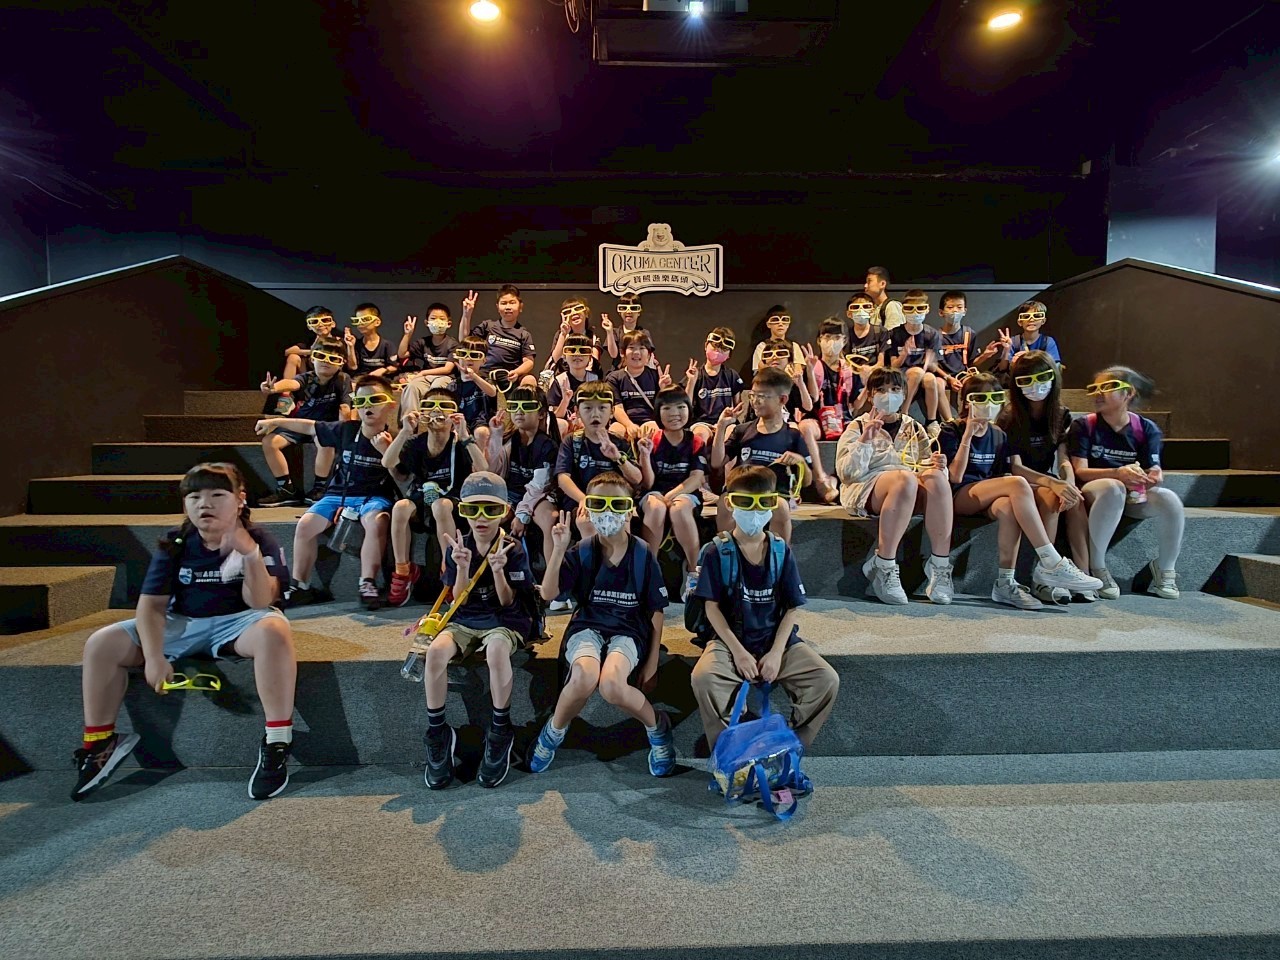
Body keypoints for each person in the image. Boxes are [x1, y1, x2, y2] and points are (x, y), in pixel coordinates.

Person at [73, 463, 297, 802]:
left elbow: (260, 601)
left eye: (217, 494)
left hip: (240, 622)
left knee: (275, 630)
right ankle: (100, 742)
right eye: (194, 497)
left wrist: (249, 553)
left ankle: (278, 742)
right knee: (101, 643)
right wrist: (153, 657)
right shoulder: (175, 542)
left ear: (240, 499)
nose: (204, 503)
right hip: (184, 623)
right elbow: (151, 606)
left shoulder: (260, 539)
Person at [530, 475, 674, 776]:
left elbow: (656, 611)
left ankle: (657, 728)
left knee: (612, 686)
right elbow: (549, 594)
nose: (608, 512)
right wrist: (558, 550)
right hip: (588, 626)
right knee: (583, 676)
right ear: (587, 508)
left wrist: (651, 664)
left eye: (616, 504)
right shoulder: (582, 550)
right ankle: (554, 731)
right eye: (599, 503)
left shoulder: (642, 554)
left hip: (629, 630)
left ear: (630, 509)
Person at [689, 464, 840, 752]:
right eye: (746, 502)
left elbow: (792, 608)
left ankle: (788, 747)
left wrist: (775, 653)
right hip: (731, 640)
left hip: (774, 639)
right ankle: (729, 753)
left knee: (826, 679)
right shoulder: (717, 551)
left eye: (764, 503)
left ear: (774, 504)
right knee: (704, 677)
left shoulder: (781, 550)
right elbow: (712, 608)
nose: (755, 511)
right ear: (730, 504)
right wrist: (739, 653)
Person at [937, 374, 1103, 609]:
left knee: (1009, 507)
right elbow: (955, 476)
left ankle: (1005, 583)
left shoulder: (999, 434)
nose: (989, 403)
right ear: (966, 401)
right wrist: (968, 435)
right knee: (1017, 483)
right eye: (981, 398)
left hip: (989, 494)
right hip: (959, 495)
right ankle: (1050, 561)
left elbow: (999, 474)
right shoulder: (951, 429)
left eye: (995, 397)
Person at [421, 472, 537, 790]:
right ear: (462, 511)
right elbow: (458, 598)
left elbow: (508, 601)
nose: (481, 518)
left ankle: (500, 730)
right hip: (466, 618)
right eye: (472, 509)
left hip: (504, 619)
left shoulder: (512, 548)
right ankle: (437, 732)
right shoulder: (459, 546)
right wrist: (460, 567)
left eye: (490, 509)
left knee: (497, 650)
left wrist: (498, 571)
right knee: (435, 652)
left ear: (504, 511)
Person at [255, 375, 400, 610]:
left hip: (373, 497)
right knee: (305, 525)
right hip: (338, 495)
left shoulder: (396, 438)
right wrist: (276, 422)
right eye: (360, 401)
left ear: (390, 405)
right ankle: (301, 586)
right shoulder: (346, 430)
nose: (367, 406)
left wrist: (388, 452)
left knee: (377, 521)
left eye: (375, 400)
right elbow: (310, 426)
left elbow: (402, 477)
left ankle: (367, 583)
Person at [835, 366, 955, 605]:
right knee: (904, 478)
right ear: (871, 395)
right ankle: (885, 564)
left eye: (895, 389)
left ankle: (940, 567)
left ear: (903, 394)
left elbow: (922, 464)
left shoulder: (914, 427)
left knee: (937, 478)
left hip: (907, 489)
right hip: (866, 488)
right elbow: (847, 474)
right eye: (881, 389)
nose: (888, 395)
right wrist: (865, 440)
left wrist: (938, 465)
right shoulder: (857, 426)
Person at [1068, 366, 1184, 601]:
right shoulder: (1084, 425)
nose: (1098, 393)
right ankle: (1097, 567)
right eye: (1095, 388)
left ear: (1128, 393)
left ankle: (1165, 569)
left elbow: (1153, 469)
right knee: (1113, 487)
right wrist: (1118, 473)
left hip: (1130, 495)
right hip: (1094, 492)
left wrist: (1151, 477)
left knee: (1169, 499)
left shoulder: (1146, 429)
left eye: (1107, 387)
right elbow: (1080, 471)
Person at [382, 388, 488, 607]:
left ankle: (448, 569)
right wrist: (404, 431)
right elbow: (387, 462)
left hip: (452, 504)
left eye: (445, 407)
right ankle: (403, 571)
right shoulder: (416, 442)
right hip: (422, 499)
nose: (436, 412)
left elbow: (483, 470)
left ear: (454, 414)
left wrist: (465, 435)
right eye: (429, 406)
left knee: (441, 505)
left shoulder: (459, 443)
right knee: (400, 507)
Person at [999, 351, 1092, 600]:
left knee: (1074, 499)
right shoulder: (1010, 416)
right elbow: (1015, 467)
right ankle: (1045, 575)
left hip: (1046, 477)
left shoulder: (1061, 414)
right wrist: (1054, 483)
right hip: (1017, 480)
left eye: (1041, 378)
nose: (1035, 386)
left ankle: (1084, 573)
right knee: (1052, 496)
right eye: (1026, 380)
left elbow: (1063, 458)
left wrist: (1068, 483)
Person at [711, 366, 815, 543]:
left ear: (782, 399)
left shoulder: (793, 436)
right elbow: (716, 462)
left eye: (762, 396)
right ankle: (728, 551)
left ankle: (779, 554)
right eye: (753, 395)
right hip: (742, 492)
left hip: (772, 495)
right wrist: (721, 427)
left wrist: (800, 462)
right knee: (725, 502)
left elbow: (807, 481)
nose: (755, 401)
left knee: (781, 507)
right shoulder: (742, 430)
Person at [258, 337, 352, 506]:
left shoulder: (343, 379)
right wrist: (273, 388)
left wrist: (345, 424)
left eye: (333, 359)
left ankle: (319, 488)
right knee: (269, 442)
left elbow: (346, 407)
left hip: (324, 426)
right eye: (321, 356)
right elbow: (292, 383)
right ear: (312, 359)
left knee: (326, 441)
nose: (326, 362)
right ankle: (286, 488)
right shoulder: (307, 378)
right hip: (301, 423)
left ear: (341, 363)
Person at [638, 386, 709, 602]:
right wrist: (644, 456)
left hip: (685, 493)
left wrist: (670, 496)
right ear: (658, 412)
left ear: (688, 409)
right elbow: (648, 482)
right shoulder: (653, 439)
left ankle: (694, 571)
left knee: (679, 508)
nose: (674, 413)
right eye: (667, 408)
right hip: (654, 493)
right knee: (656, 507)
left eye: (680, 407)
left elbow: (696, 478)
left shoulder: (695, 441)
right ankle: (649, 572)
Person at [553, 381, 644, 550]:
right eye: (588, 408)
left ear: (612, 412)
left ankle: (623, 564)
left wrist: (617, 457)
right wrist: (584, 499)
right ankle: (592, 565)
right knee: (587, 521)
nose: (595, 414)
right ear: (577, 412)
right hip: (583, 503)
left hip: (614, 503)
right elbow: (563, 478)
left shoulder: (620, 443)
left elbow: (637, 478)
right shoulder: (572, 441)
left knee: (623, 522)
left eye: (602, 408)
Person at [484, 386, 560, 569]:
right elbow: (492, 471)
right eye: (514, 406)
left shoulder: (547, 445)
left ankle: (553, 578)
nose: (519, 411)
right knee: (487, 517)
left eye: (527, 406)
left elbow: (539, 486)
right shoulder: (509, 439)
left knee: (549, 518)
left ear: (541, 413)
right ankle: (485, 572)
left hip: (539, 497)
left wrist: (522, 514)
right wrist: (496, 436)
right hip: (511, 494)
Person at [932, 290, 1002, 419]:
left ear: (964, 311)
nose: (955, 311)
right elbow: (933, 364)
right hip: (943, 375)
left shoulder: (969, 334)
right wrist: (949, 378)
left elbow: (972, 363)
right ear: (941, 312)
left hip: (963, 374)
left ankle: (970, 418)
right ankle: (949, 421)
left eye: (959, 307)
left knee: (975, 383)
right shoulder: (935, 336)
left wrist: (985, 355)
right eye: (950, 307)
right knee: (937, 383)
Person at [886, 289, 944, 435]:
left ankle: (931, 421)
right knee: (916, 372)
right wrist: (904, 354)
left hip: (923, 372)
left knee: (930, 379)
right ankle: (903, 414)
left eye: (920, 308)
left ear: (927, 309)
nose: (915, 313)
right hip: (902, 373)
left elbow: (933, 366)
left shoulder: (932, 334)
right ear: (903, 310)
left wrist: (928, 362)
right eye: (910, 309)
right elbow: (894, 366)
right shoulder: (895, 333)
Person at [459, 284, 537, 387]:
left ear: (520, 307)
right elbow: (464, 340)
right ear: (497, 307)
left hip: (510, 377)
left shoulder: (524, 334)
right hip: (485, 375)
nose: (508, 307)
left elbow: (529, 362)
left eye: (512, 303)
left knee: (530, 379)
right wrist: (466, 314)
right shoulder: (487, 326)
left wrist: (517, 372)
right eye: (503, 303)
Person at [396, 301, 460, 420]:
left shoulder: (453, 344)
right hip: (426, 378)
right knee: (411, 387)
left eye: (442, 319)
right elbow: (402, 354)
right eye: (433, 318)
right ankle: (409, 423)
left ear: (449, 323)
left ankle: (435, 421)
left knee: (436, 387)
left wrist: (423, 373)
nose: (437, 322)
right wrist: (407, 334)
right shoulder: (423, 342)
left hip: (446, 378)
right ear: (427, 322)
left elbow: (447, 369)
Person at [606, 330, 670, 442]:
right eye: (631, 348)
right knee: (615, 431)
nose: (636, 352)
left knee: (654, 431)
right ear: (622, 353)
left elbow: (665, 407)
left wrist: (664, 388)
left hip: (649, 421)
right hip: (623, 422)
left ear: (649, 355)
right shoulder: (614, 378)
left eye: (641, 348)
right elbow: (616, 407)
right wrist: (629, 425)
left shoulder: (656, 375)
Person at [685, 325, 745, 445]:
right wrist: (691, 381)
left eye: (724, 349)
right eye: (715, 346)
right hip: (702, 423)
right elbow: (686, 405)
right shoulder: (696, 374)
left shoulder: (731, 375)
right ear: (706, 346)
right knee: (700, 435)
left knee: (730, 435)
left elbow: (739, 405)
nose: (718, 351)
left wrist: (732, 416)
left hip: (726, 421)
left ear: (729, 354)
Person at [276, 306, 339, 398]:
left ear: (332, 324)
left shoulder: (338, 342)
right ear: (309, 326)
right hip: (310, 376)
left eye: (325, 320)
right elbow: (288, 351)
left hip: (330, 375)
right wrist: (312, 351)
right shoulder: (309, 341)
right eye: (314, 322)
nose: (320, 324)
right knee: (293, 357)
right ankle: (286, 395)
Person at [452, 334, 503, 449]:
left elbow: (492, 392)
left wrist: (474, 377)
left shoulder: (485, 381)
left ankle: (479, 460)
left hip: (481, 421)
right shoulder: (453, 386)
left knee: (481, 433)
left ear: (484, 361)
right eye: (463, 354)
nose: (468, 358)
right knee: (454, 435)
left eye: (474, 355)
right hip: (460, 421)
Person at [546, 333, 602, 436]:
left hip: (589, 423)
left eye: (583, 351)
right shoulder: (559, 381)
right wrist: (565, 401)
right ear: (564, 356)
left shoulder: (595, 381)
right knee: (559, 424)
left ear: (590, 357)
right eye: (571, 350)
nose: (577, 354)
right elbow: (555, 416)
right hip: (566, 426)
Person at [544, 296, 605, 380]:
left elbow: (593, 362)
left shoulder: (593, 337)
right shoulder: (561, 335)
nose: (573, 313)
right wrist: (563, 334)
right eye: (568, 311)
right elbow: (555, 358)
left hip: (586, 377)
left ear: (586, 314)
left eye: (578, 309)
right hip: (563, 376)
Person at [843, 293, 887, 408]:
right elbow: (844, 361)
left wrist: (870, 370)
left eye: (866, 306)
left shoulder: (880, 332)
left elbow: (881, 363)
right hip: (854, 376)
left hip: (876, 374)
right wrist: (859, 371)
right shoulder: (845, 335)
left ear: (872, 311)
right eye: (855, 307)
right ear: (849, 314)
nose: (861, 310)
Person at [1000, 300, 1062, 372]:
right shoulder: (1013, 342)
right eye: (1026, 316)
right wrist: (1007, 350)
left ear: (1043, 321)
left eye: (1037, 316)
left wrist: (1027, 358)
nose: (1031, 319)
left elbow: (1054, 367)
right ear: (1020, 322)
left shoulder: (1047, 341)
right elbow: (1002, 369)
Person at [344, 302, 399, 378]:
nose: (360, 324)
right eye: (357, 320)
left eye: (365, 319)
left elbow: (394, 367)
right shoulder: (356, 344)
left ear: (377, 322)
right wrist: (350, 346)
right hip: (361, 380)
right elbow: (353, 367)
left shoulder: (387, 345)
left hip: (381, 381)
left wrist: (383, 370)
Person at [749, 306, 806, 371]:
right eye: (775, 320)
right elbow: (760, 369)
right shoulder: (762, 346)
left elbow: (798, 370)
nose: (780, 324)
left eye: (784, 320)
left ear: (788, 324)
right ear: (768, 324)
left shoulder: (794, 346)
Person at [602, 292, 647, 365]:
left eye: (633, 308)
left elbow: (647, 356)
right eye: (624, 308)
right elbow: (613, 354)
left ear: (639, 312)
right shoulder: (615, 332)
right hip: (618, 370)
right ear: (619, 312)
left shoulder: (644, 333)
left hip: (638, 369)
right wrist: (609, 331)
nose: (628, 311)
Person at [863, 266, 905, 331]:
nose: (865, 286)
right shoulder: (874, 308)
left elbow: (893, 335)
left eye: (869, 281)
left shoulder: (892, 306)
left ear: (882, 284)